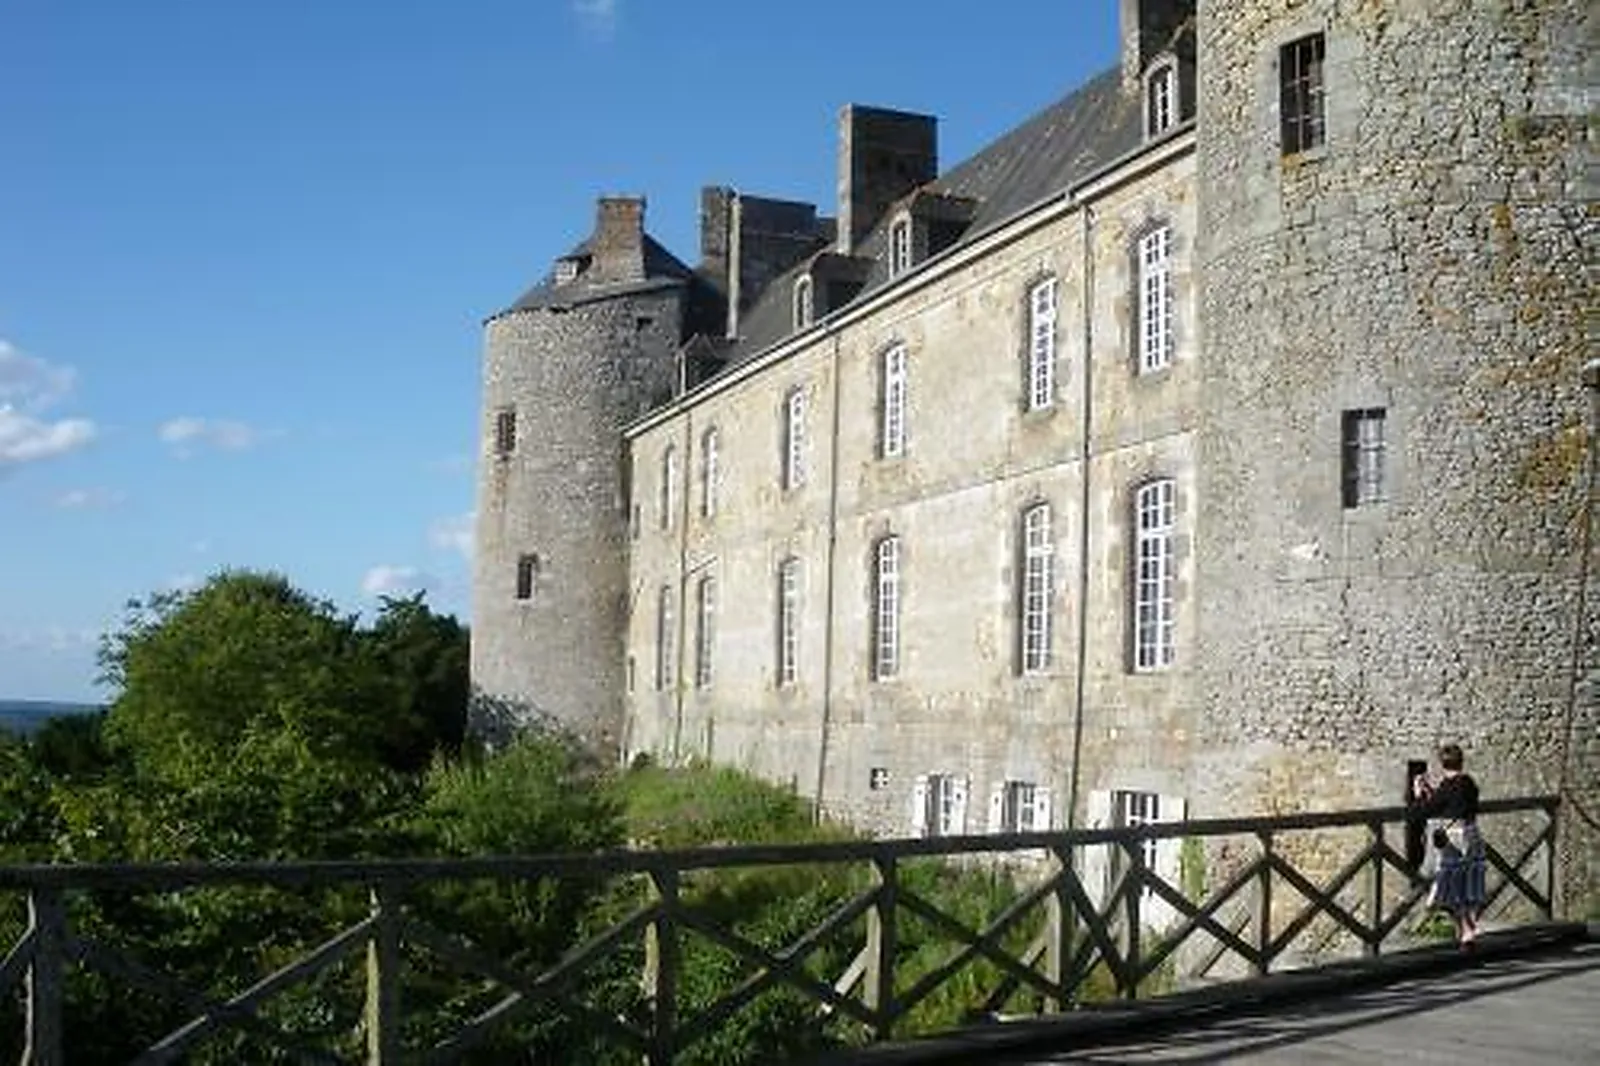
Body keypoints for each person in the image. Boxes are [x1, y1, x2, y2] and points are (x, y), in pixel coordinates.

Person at [1411, 742, 1486, 947]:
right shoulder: (1469, 783)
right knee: (1469, 884)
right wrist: (1432, 792)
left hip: (1454, 840)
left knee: (1448, 887)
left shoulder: (1447, 787)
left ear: (1443, 764)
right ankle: (1468, 929)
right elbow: (1453, 802)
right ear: (1461, 761)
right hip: (1472, 835)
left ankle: (1466, 929)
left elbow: (1421, 812)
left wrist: (1418, 794)